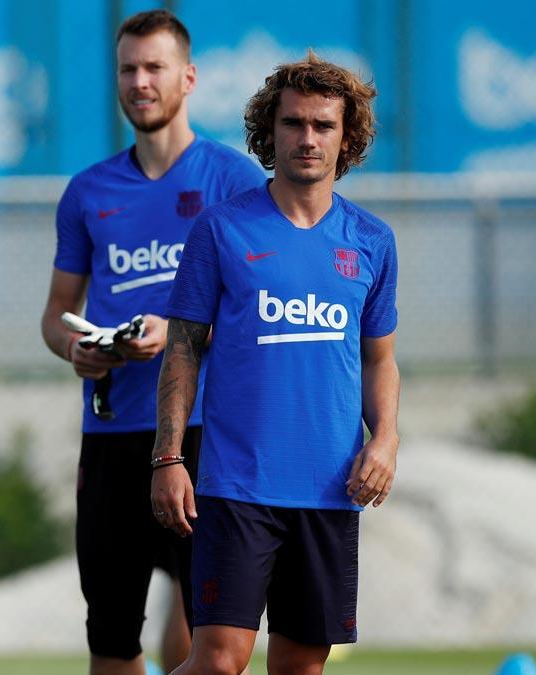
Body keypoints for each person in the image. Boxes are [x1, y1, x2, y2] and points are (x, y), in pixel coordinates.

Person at [151, 51, 400, 675]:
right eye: (293, 123)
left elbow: (380, 359)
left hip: (328, 488)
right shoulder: (221, 229)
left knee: (300, 667)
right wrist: (169, 456)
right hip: (237, 486)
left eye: (323, 126)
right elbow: (182, 348)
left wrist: (387, 439)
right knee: (217, 662)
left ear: (348, 139)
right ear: (270, 131)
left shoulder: (371, 241)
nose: (307, 138)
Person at [40, 10, 265, 675]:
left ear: (188, 77)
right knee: (110, 640)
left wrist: (182, 333)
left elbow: (259, 315)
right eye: (128, 69)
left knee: (215, 643)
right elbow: (57, 312)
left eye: (154, 68)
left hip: (206, 434)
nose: (140, 82)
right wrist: (76, 349)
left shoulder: (235, 182)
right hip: (112, 436)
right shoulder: (88, 191)